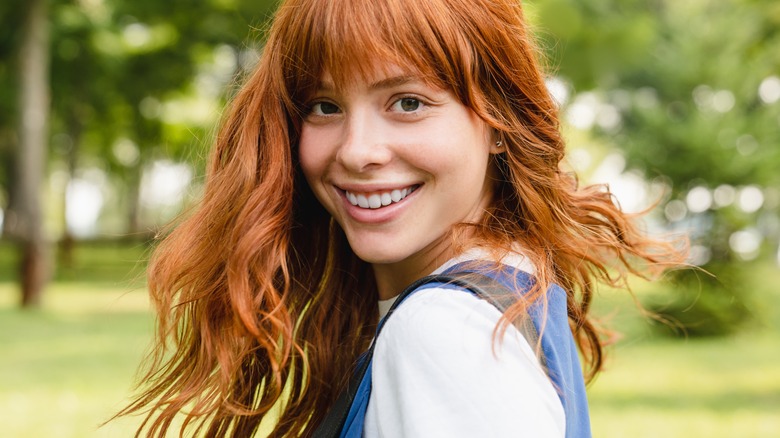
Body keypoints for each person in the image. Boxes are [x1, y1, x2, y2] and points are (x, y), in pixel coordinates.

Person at [117, 0, 685, 436]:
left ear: (498, 123)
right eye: (325, 106)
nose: (357, 150)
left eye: (408, 102)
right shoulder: (509, 285)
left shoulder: (446, 332)